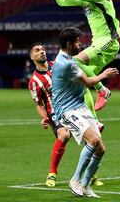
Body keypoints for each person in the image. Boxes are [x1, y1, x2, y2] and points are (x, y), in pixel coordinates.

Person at [42, 0, 120, 111]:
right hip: (98, 43)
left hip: (108, 41)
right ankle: (95, 122)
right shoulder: (86, 0)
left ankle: (102, 90)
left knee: (75, 61)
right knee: (83, 81)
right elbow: (62, 1)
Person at [52, 27, 118, 197]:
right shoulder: (66, 63)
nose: (81, 44)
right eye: (78, 42)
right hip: (67, 110)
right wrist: (104, 75)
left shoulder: (70, 59)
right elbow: (88, 82)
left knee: (100, 149)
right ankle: (75, 180)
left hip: (80, 107)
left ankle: (86, 185)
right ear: (69, 43)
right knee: (94, 140)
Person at [28, 41, 105, 188]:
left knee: (92, 139)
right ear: (32, 57)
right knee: (64, 135)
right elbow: (38, 104)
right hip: (56, 113)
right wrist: (44, 117)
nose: (42, 52)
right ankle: (52, 173)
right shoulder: (34, 81)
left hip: (75, 107)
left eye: (43, 49)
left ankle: (92, 176)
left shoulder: (58, 65)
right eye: (37, 50)